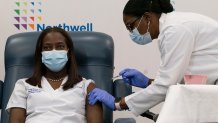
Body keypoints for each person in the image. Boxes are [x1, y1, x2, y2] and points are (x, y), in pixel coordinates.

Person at [88, 0, 218, 117]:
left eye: (130, 26)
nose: (131, 32)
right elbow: (177, 81)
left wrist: (118, 103)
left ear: (147, 17)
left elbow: (166, 86)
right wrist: (148, 82)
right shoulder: (171, 29)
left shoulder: (175, 30)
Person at [6, 27, 103, 123]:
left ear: (68, 52)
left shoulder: (87, 86)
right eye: (47, 47)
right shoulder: (23, 85)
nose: (53, 51)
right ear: (41, 54)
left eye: (60, 46)